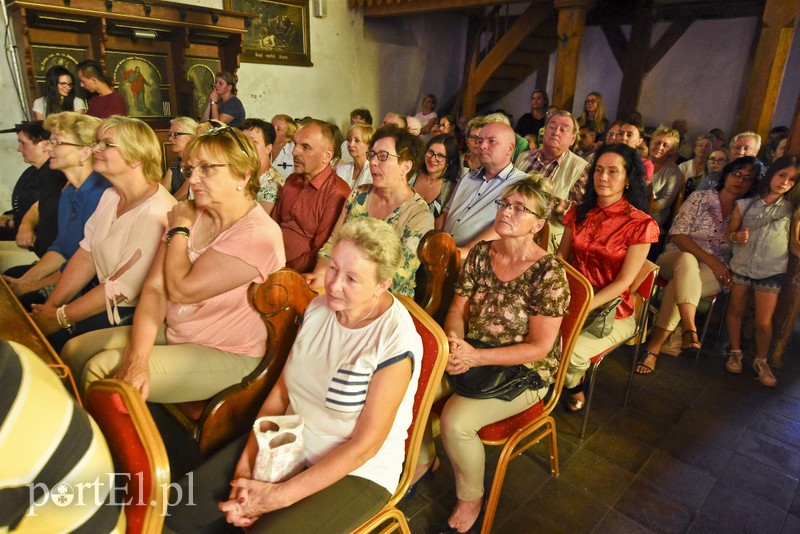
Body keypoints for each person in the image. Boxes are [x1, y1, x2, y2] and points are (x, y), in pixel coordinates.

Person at [165, 218, 423, 533]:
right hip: (289, 440)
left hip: (357, 471)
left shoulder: (395, 340)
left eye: (352, 279)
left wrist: (275, 498)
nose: (334, 285)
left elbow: (364, 447)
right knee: (180, 510)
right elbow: (281, 393)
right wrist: (246, 466)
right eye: (333, 268)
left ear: (382, 284)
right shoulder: (318, 309)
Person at [60, 124, 285, 400]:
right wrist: (137, 356)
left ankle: (93, 428)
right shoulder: (193, 214)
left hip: (228, 352)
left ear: (242, 175)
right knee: (75, 350)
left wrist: (179, 228)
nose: (193, 180)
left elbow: (181, 290)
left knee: (101, 369)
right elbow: (155, 289)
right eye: (190, 170)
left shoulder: (258, 235)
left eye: (207, 169)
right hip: (180, 331)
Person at [426, 176, 569, 534]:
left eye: (519, 208)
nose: (506, 212)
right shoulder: (481, 253)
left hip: (525, 370)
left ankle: (470, 500)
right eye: (504, 204)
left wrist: (475, 357)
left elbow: (539, 347)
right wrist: (455, 344)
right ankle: (424, 461)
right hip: (474, 350)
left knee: (455, 423)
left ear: (538, 225)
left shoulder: (549, 273)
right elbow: (457, 310)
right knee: (411, 385)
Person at [30, 116, 177, 352]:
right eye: (97, 142)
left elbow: (119, 288)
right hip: (106, 299)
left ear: (136, 157)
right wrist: (52, 305)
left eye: (106, 144)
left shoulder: (156, 211)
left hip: (137, 312)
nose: (95, 149)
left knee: (53, 342)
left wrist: (60, 317)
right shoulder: (111, 195)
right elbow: (85, 255)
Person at [635, 157, 763, 374]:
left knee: (679, 286)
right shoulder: (701, 197)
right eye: (737, 174)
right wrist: (713, 261)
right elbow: (678, 235)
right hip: (676, 257)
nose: (740, 180)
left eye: (748, 178)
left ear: (753, 184)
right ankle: (688, 326)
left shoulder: (747, 211)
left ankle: (654, 348)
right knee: (687, 262)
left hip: (714, 272)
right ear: (727, 174)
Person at [558, 143, 659, 410]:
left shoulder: (640, 224)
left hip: (613, 311)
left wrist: (584, 305)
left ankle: (574, 384)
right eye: (598, 170)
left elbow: (624, 282)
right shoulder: (579, 212)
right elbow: (561, 259)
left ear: (628, 179)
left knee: (569, 352)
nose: (603, 177)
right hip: (570, 298)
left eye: (613, 171)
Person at [305, 126, 433, 297]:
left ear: (406, 166)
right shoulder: (360, 194)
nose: (373, 162)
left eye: (383, 156)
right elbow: (334, 242)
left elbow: (398, 276)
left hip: (384, 296)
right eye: (372, 154)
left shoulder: (419, 215)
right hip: (342, 283)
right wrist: (321, 275)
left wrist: (341, 278)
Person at [3, 113, 109, 308]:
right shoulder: (69, 191)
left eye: (56, 142)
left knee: (22, 302)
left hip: (93, 286)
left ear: (85, 153)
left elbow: (87, 263)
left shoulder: (102, 195)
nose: (48, 148)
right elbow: (60, 249)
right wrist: (23, 282)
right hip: (69, 274)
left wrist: (29, 287)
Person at [724, 156, 799, 386]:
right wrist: (736, 236)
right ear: (772, 174)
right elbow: (729, 233)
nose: (784, 182)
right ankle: (735, 352)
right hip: (742, 266)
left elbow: (794, 243)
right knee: (736, 309)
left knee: (764, 321)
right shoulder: (746, 204)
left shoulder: (791, 210)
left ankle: (761, 360)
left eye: (792, 179)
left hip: (770, 270)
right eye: (782, 175)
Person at [271, 120, 349, 273]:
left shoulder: (337, 193)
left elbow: (321, 251)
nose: (294, 152)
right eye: (295, 144)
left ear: (327, 155)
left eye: (305, 147)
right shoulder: (291, 180)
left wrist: (283, 271)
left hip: (298, 274)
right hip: (271, 261)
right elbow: (273, 225)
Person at [439, 122, 527, 256]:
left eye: (491, 141)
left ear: (509, 149)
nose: (482, 146)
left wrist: (467, 251)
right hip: (445, 253)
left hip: (478, 260)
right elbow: (446, 215)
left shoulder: (520, 184)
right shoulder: (468, 177)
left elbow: (506, 227)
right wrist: (435, 240)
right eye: (480, 141)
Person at [515, 110, 590, 250]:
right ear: (544, 131)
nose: (556, 132)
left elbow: (580, 214)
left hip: (547, 240)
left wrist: (549, 202)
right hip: (513, 227)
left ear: (572, 139)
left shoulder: (580, 168)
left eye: (563, 130)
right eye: (552, 126)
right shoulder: (523, 157)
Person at [0, 122, 67, 276]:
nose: (19, 149)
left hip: (41, 244)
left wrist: (15, 222)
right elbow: (23, 209)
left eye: (23, 143)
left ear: (43, 144)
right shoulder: (32, 172)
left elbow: (41, 210)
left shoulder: (56, 175)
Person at [409, 134, 459, 218]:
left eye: (440, 156)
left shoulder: (452, 189)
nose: (432, 159)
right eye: (430, 152)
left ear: (449, 161)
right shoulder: (411, 174)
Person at [242, 118, 285, 215]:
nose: (245, 147)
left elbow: (257, 221)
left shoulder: (272, 185)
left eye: (253, 142)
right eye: (242, 142)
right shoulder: (244, 173)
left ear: (268, 148)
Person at [648, 126, 683, 229]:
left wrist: (641, 207)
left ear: (672, 151)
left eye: (665, 145)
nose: (659, 147)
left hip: (653, 215)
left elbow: (665, 202)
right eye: (657, 143)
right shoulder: (639, 162)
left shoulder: (674, 171)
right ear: (651, 143)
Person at [161, 116, 199, 200]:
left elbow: (182, 196)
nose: (170, 138)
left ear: (192, 136)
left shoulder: (198, 163)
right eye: (169, 134)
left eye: (176, 134)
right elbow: (162, 192)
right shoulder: (176, 163)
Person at [337, 123, 374, 190]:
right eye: (349, 140)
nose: (351, 144)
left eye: (357, 141)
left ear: (369, 146)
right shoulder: (341, 170)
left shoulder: (373, 172)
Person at [270, 114, 297, 179]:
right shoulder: (260, 146)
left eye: (278, 129)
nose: (272, 130)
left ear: (288, 137)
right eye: (271, 126)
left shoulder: (295, 151)